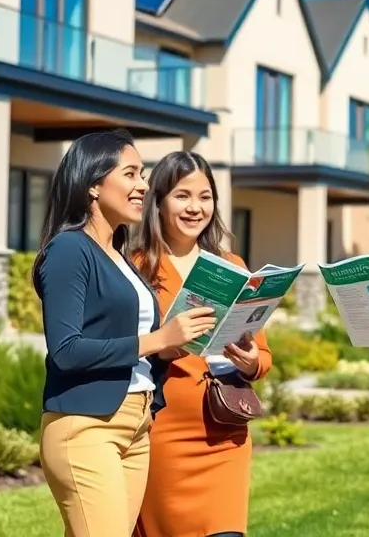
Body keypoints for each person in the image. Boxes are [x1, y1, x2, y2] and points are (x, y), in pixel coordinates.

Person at [35, 130, 218, 537]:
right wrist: (156, 339)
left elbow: (124, 341)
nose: (143, 186)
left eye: (143, 175)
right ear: (93, 185)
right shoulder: (69, 250)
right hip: (85, 427)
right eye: (131, 174)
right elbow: (66, 350)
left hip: (136, 426)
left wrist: (166, 350)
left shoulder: (118, 254)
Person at [132, 151, 273, 537]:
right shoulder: (136, 266)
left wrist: (248, 362)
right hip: (164, 438)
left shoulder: (232, 263)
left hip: (227, 432)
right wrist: (162, 345)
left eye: (205, 196)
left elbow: (262, 357)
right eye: (182, 196)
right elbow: (123, 348)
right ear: (157, 201)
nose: (195, 208)